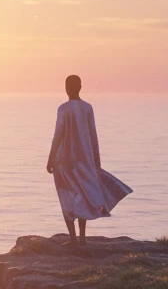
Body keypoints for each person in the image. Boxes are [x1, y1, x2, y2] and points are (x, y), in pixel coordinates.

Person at [46, 75, 131, 246]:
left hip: (64, 162)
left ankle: (73, 239)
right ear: (80, 87)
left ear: (67, 88)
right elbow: (93, 136)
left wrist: (50, 158)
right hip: (84, 161)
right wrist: (96, 161)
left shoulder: (63, 109)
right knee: (83, 196)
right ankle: (82, 238)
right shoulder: (87, 108)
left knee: (67, 198)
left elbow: (58, 135)